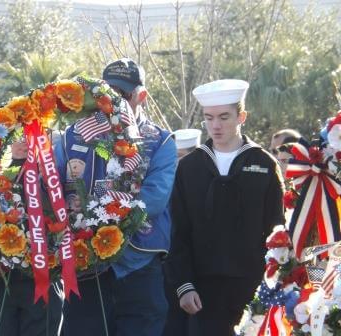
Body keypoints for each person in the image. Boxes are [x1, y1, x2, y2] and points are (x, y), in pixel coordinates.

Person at [59, 58, 177, 336]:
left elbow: (154, 200)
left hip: (138, 265)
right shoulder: (73, 137)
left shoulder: (160, 141)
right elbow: (55, 190)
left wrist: (99, 213)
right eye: (108, 93)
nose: (113, 103)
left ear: (141, 96)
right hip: (87, 268)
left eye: (123, 95)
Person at [166, 79, 285, 335]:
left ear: (241, 116)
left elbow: (277, 228)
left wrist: (275, 282)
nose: (216, 126)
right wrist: (184, 284)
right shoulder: (190, 167)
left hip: (254, 284)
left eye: (224, 117)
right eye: (209, 118)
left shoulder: (264, 163)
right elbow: (178, 231)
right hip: (202, 287)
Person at [0, 139, 64, 336]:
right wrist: (16, 163)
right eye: (20, 141)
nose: (25, 145)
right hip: (5, 279)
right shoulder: (5, 177)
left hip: (45, 276)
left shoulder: (57, 179)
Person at [162, 128, 201, 336]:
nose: (177, 164)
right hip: (167, 275)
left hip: (199, 274)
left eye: (181, 157)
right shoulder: (162, 185)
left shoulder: (202, 186)